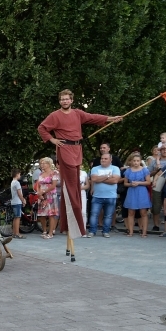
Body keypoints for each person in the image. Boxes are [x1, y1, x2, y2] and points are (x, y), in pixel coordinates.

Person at [38, 90, 122, 239]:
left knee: (74, 184)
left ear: (71, 100)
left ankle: (74, 214)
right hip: (65, 149)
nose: (64, 101)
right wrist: (53, 140)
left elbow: (93, 118)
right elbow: (42, 128)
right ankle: (74, 213)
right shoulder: (55, 115)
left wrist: (111, 119)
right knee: (70, 185)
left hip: (77, 149)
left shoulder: (77, 113)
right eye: (62, 99)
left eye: (67, 99)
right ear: (60, 102)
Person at [87, 153, 121, 238]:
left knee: (108, 215)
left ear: (110, 160)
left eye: (106, 159)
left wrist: (100, 179)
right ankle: (92, 231)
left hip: (111, 196)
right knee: (94, 214)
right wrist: (107, 176)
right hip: (97, 196)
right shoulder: (95, 168)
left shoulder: (115, 168)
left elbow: (115, 181)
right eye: (102, 158)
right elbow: (94, 179)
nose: (103, 160)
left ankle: (106, 231)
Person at [122, 153, 152, 237]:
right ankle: (131, 232)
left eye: (137, 161)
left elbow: (148, 182)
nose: (136, 162)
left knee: (143, 213)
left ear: (140, 161)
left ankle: (144, 232)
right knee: (131, 212)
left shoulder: (144, 170)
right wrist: (131, 184)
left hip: (142, 192)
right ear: (131, 161)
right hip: (132, 192)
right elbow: (125, 183)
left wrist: (139, 183)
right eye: (134, 161)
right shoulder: (128, 171)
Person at [35, 157, 59, 239]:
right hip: (41, 196)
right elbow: (38, 184)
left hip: (50, 196)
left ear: (49, 164)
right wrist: (39, 193)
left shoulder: (54, 173)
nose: (42, 165)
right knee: (42, 214)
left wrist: (43, 192)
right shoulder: (41, 174)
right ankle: (44, 230)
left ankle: (50, 233)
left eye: (43, 163)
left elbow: (53, 185)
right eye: (41, 163)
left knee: (51, 214)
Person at [10, 169, 26, 239]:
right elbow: (19, 193)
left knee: (15, 217)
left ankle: (14, 232)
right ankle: (17, 233)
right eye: (19, 174)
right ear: (17, 174)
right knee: (18, 218)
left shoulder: (12, 182)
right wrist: (23, 200)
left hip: (13, 202)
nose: (20, 175)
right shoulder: (17, 183)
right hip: (17, 202)